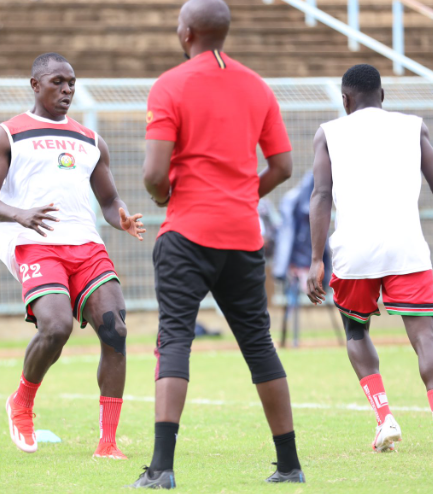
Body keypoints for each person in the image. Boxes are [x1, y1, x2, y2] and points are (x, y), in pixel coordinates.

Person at [130, 0, 305, 487]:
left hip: (187, 233)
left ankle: (162, 469)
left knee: (175, 339)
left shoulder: (171, 84)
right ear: (222, 33)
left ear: (186, 32)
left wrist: (163, 195)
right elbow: (283, 167)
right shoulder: (257, 86)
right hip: (244, 236)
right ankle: (289, 465)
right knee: (259, 344)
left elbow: (153, 174)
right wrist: (240, 195)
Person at [0, 53, 145, 459]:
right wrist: (20, 214)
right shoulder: (9, 133)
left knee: (115, 330)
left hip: (85, 244)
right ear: (36, 85)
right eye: (57, 82)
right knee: (55, 327)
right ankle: (22, 401)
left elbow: (108, 198)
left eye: (71, 82)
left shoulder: (90, 140)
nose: (67, 89)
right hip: (33, 241)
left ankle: (107, 443)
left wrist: (118, 216)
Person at [306, 64, 433, 457]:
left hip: (353, 252)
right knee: (425, 338)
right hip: (407, 249)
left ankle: (385, 419)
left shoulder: (328, 133)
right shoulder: (412, 126)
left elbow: (320, 196)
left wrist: (317, 259)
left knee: (356, 333)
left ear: (345, 100)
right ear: (382, 97)